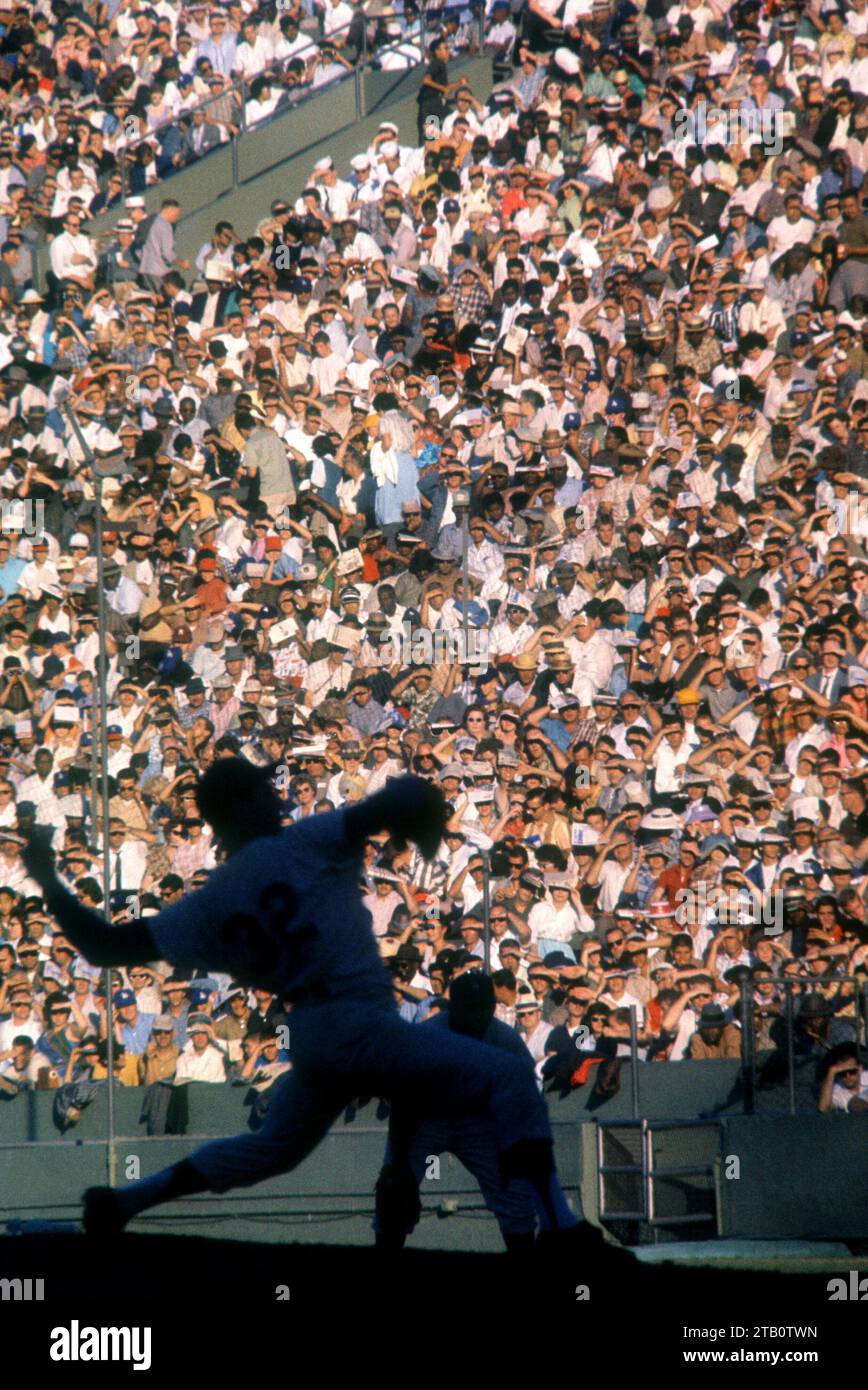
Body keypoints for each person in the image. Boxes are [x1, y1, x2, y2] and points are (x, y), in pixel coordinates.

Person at [21, 761, 585, 1247]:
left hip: (312, 1032)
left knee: (272, 1150)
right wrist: (422, 806)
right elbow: (388, 805)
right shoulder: (305, 841)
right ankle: (561, 1230)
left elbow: (104, 944)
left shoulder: (209, 902)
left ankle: (124, 1203)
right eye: (264, 791)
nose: (276, 796)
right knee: (511, 1076)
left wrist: (48, 880)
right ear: (241, 804)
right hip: (362, 1018)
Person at [374, 971, 538, 1253]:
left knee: (515, 1198)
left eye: (480, 1008)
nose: (474, 1016)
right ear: (454, 1006)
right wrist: (400, 1164)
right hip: (426, 1121)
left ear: (491, 1007)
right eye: (467, 1008)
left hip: (479, 1125)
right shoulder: (428, 1036)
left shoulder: (506, 1040)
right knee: (394, 1198)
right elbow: (402, 1101)